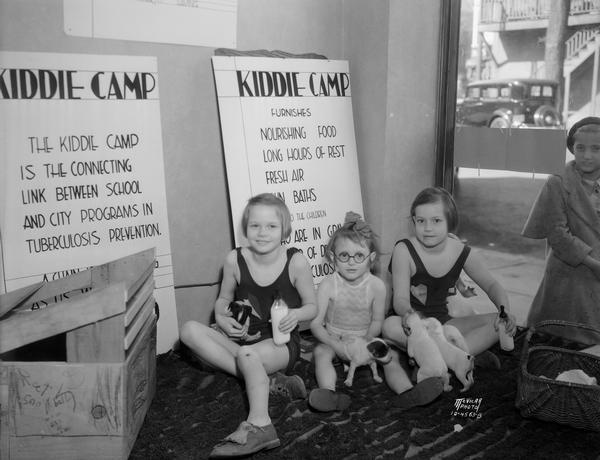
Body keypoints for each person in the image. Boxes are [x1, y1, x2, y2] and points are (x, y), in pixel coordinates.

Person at [179, 193, 317, 458]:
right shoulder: (234, 260)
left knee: (247, 354)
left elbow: (313, 306)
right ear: (246, 228)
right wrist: (221, 319)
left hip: (281, 344)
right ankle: (268, 380)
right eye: (255, 226)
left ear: (284, 229)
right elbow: (223, 300)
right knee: (189, 331)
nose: (262, 233)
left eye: (271, 226)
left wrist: (296, 315)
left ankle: (261, 425)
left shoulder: (296, 261)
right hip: (243, 343)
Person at [308, 212, 442, 411]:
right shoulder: (328, 284)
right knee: (320, 353)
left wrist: (369, 338)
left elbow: (378, 320)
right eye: (344, 255)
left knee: (391, 358)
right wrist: (333, 344)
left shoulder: (377, 286)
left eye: (358, 255)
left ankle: (407, 392)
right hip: (335, 339)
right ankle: (329, 394)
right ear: (333, 257)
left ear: (370, 259)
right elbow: (315, 324)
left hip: (366, 340)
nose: (351, 262)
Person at [382, 187, 517, 382]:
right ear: (413, 222)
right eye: (421, 221)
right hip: (413, 325)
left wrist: (504, 310)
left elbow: (491, 284)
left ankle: (432, 360)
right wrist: (411, 316)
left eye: (436, 221)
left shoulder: (461, 251)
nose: (428, 228)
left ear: (450, 221)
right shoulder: (404, 250)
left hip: (444, 324)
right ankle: (460, 356)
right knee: (388, 326)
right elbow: (400, 299)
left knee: (500, 322)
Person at [522, 116, 600, 344]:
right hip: (568, 272)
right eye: (580, 148)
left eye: (596, 148)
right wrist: (594, 265)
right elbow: (558, 233)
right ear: (571, 149)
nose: (587, 155)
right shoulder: (557, 182)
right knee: (556, 337)